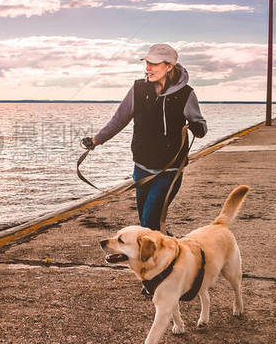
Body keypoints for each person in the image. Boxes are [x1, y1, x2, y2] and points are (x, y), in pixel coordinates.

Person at [82, 43, 207, 232]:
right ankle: (172, 254)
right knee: (148, 226)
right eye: (147, 63)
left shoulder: (186, 94)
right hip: (141, 169)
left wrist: (197, 128)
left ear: (169, 66)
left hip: (169, 171)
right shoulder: (139, 89)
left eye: (154, 64)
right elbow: (119, 120)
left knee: (148, 224)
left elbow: (201, 126)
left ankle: (168, 256)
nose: (148, 68)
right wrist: (95, 141)